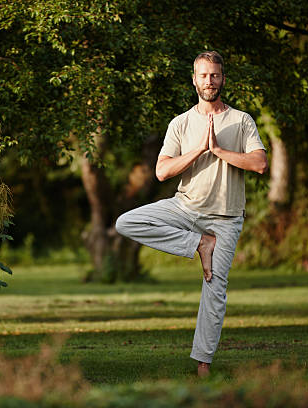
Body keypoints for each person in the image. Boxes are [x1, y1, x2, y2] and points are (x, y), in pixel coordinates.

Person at [115, 51, 268, 377]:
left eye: (214, 75)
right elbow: (161, 172)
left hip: (226, 218)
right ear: (194, 79)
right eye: (203, 75)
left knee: (215, 289)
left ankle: (203, 365)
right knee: (126, 222)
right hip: (185, 208)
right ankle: (199, 244)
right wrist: (198, 148)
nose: (209, 81)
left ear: (223, 79)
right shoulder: (181, 123)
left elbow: (259, 163)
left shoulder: (241, 121)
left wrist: (219, 151)